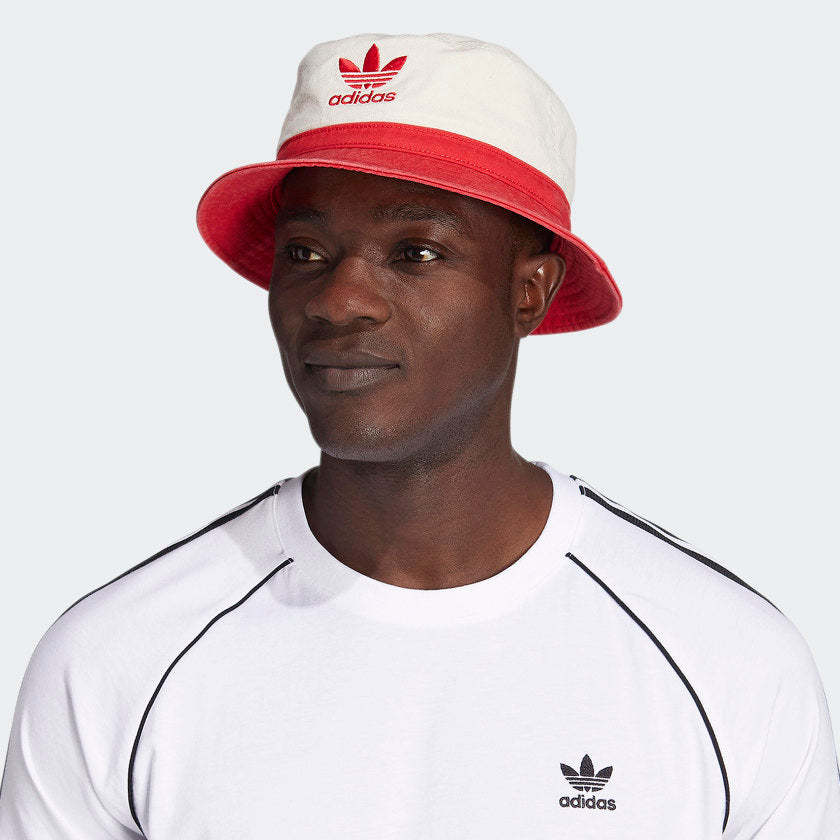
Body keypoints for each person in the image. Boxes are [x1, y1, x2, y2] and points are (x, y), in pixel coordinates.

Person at [1, 31, 838, 839]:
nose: (339, 301)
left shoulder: (726, 663)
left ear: (530, 292)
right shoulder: (118, 660)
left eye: (417, 253)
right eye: (304, 251)